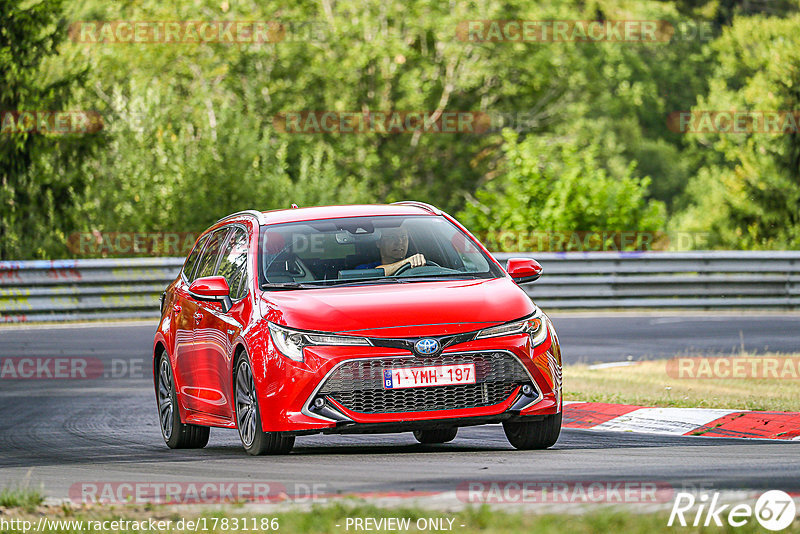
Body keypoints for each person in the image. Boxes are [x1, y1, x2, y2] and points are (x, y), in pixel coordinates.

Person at [357, 227, 425, 275]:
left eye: (403, 237)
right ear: (379, 243)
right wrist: (406, 262)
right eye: (392, 237)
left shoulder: (419, 265)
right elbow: (377, 273)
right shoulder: (364, 269)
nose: (399, 242)